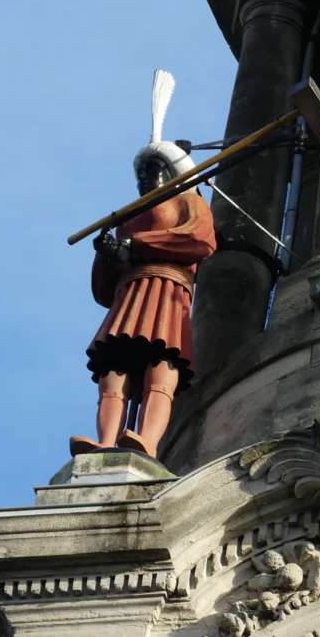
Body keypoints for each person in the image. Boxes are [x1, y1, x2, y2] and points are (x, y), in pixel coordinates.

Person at [70, 72, 216, 458]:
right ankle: (104, 441)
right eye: (141, 175)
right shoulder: (126, 217)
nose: (144, 180)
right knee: (113, 370)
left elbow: (199, 240)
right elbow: (103, 290)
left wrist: (135, 246)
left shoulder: (189, 202)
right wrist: (108, 252)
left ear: (170, 173)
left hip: (166, 292)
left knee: (160, 365)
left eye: (152, 171)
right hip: (131, 295)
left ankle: (147, 443)